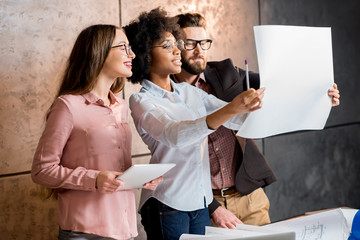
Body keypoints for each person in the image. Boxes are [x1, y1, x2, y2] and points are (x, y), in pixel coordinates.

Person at [173, 12, 341, 229]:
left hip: (249, 195)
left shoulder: (224, 73)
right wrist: (213, 208)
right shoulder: (166, 93)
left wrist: (321, 94)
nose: (199, 50)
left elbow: (276, 85)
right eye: (190, 43)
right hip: (203, 205)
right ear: (175, 45)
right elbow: (173, 159)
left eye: (204, 43)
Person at [124, 8, 265, 240]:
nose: (177, 51)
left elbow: (237, 118)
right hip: (167, 204)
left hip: (200, 203)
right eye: (167, 46)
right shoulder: (141, 100)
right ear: (146, 55)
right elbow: (175, 135)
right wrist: (233, 107)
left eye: (176, 44)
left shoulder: (190, 92)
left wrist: (306, 101)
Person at [31, 24, 162, 240]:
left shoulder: (120, 105)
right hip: (86, 231)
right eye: (123, 47)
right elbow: (41, 170)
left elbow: (113, 168)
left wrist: (138, 178)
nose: (132, 54)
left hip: (127, 228)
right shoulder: (68, 106)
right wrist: (94, 179)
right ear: (98, 52)